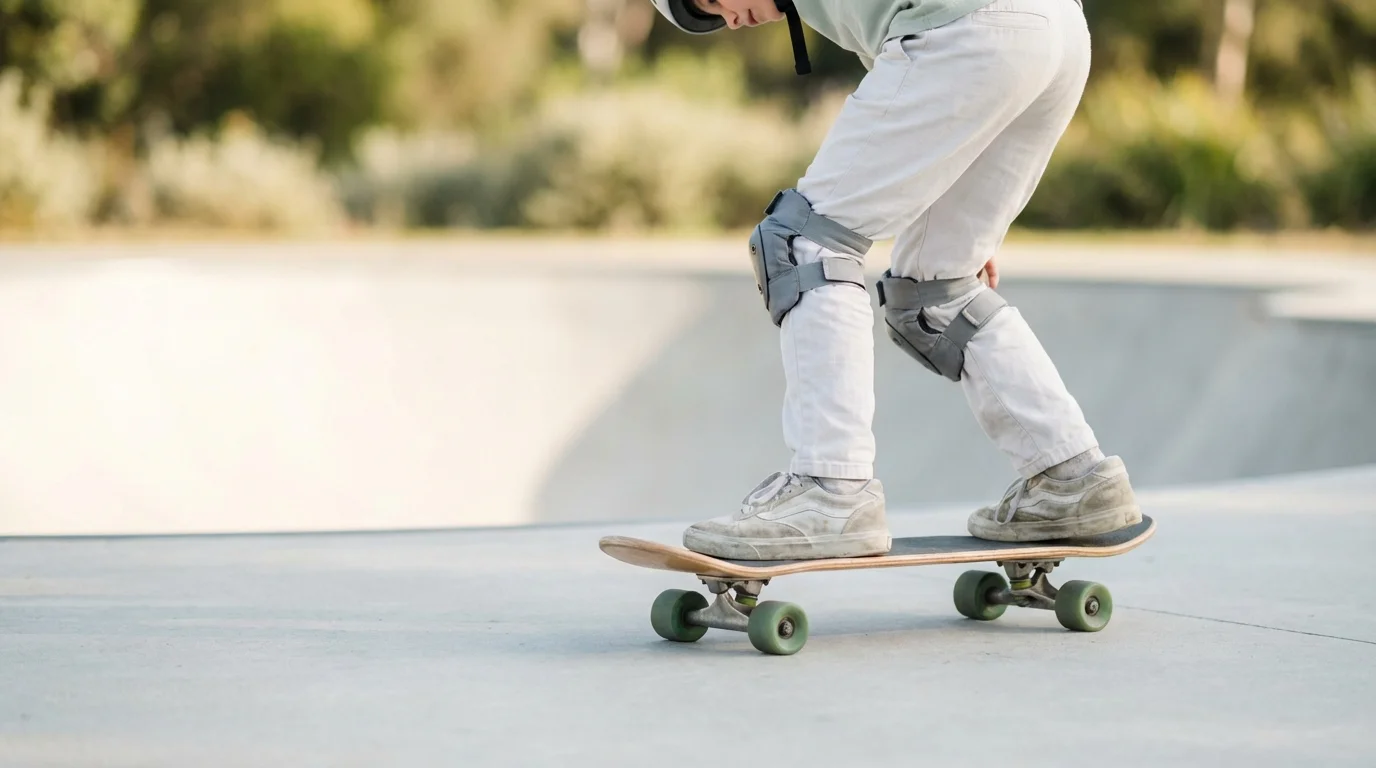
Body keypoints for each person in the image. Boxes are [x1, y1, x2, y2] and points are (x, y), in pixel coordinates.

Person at [647, 0, 1142, 560]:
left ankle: (830, 490)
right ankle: (1071, 477)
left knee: (802, 241)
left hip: (972, 31)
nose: (728, 20)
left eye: (713, 0)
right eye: (711, 17)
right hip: (1055, 32)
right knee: (937, 289)